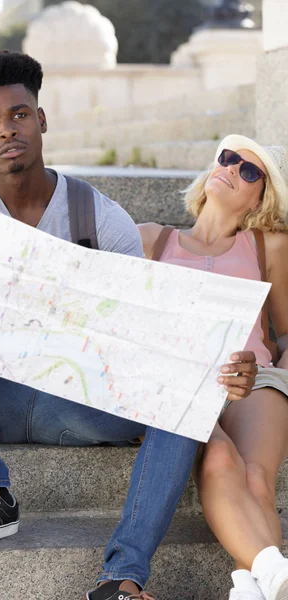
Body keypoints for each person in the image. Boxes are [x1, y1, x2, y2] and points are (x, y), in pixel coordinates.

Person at [0, 52, 256, 600]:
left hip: (77, 402)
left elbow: (148, 339)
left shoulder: (99, 217)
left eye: (18, 115)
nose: (6, 130)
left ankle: (122, 578)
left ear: (42, 120)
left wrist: (225, 369)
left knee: (190, 392)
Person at [139, 135, 288, 600]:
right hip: (181, 384)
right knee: (221, 457)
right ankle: (263, 576)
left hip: (254, 377)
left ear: (261, 197)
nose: (232, 168)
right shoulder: (150, 239)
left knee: (258, 478)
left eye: (249, 171)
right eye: (228, 158)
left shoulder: (270, 246)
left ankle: (255, 583)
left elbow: (285, 333)